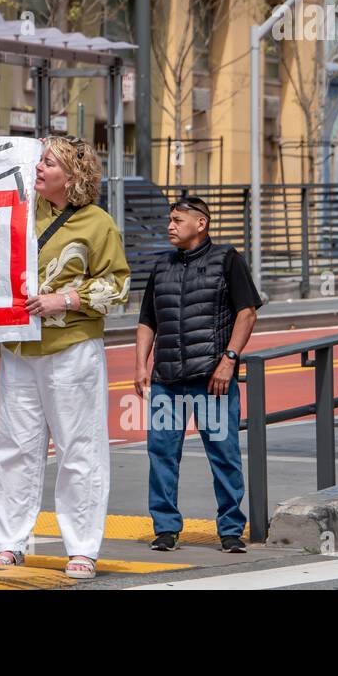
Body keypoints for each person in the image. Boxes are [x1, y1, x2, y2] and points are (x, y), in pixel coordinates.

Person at [0, 135, 131, 580]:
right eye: (40, 160)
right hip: (18, 349)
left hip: (72, 348)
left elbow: (119, 288)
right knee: (13, 448)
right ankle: (9, 543)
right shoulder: (16, 215)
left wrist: (65, 299)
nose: (38, 168)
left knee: (79, 449)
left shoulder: (97, 224)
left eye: (48, 162)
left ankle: (82, 548)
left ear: (72, 175)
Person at [134, 196, 261, 554]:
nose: (170, 226)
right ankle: (166, 528)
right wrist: (141, 364)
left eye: (177, 220)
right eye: (169, 220)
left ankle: (231, 530)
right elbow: (147, 321)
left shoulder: (227, 259)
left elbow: (247, 313)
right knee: (161, 454)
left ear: (200, 223)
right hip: (167, 380)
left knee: (223, 454)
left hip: (212, 379)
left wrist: (229, 360)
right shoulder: (161, 268)